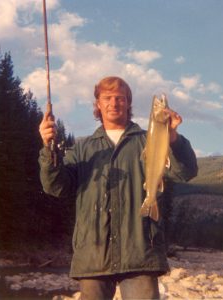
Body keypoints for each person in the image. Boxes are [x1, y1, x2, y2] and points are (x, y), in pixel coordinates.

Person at [39, 76, 198, 300]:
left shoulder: (148, 140)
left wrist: (173, 138)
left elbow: (185, 171)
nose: (114, 103)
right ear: (98, 105)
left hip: (140, 253)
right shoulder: (83, 148)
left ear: (128, 104)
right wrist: (48, 149)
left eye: (120, 98)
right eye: (107, 98)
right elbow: (55, 187)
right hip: (93, 254)